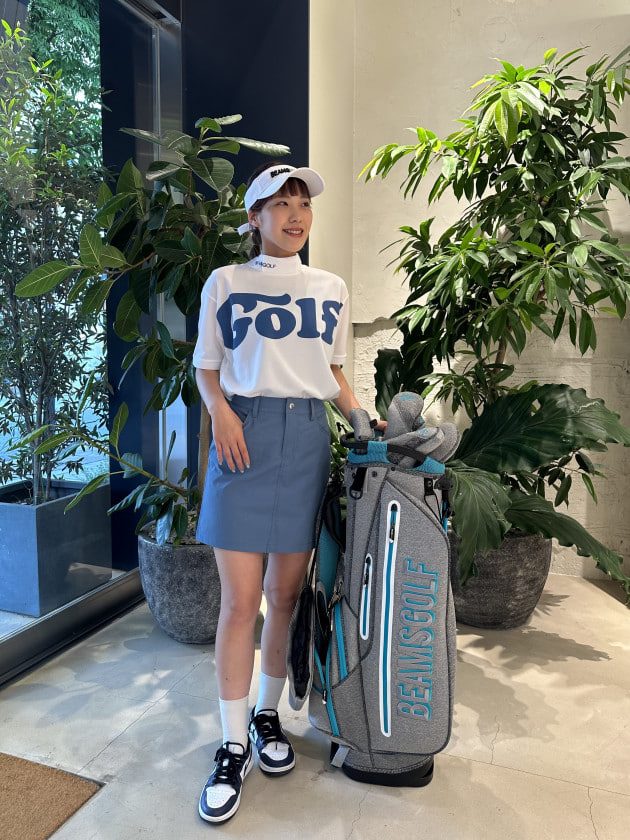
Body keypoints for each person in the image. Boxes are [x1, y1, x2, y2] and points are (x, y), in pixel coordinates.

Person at [193, 161, 383, 824]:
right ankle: (232, 743)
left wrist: (362, 419)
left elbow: (331, 370)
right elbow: (207, 367)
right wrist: (221, 413)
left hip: (306, 438)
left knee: (284, 596)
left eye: (303, 203)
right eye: (280, 203)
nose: (296, 215)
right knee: (240, 602)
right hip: (242, 437)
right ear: (255, 217)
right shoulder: (225, 282)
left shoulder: (330, 287)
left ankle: (267, 716)